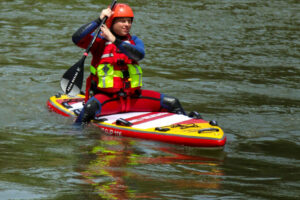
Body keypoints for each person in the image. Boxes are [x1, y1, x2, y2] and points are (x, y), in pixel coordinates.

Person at [72, 3, 189, 125]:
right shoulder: (99, 41)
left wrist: (114, 40)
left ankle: (189, 126)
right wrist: (99, 20)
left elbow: (139, 55)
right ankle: (78, 134)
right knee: (90, 108)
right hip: (107, 99)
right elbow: (76, 38)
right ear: (111, 21)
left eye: (129, 21)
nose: (127, 24)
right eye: (122, 21)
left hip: (133, 99)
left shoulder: (134, 41)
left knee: (172, 103)